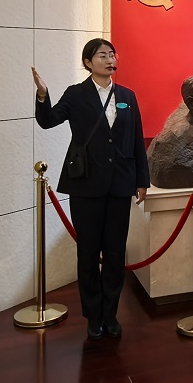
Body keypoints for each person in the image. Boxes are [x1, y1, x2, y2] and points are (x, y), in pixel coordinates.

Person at [33, 39, 149, 339]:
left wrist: (141, 180)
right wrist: (43, 95)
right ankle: (93, 316)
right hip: (86, 185)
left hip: (120, 183)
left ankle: (110, 314)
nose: (110, 60)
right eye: (102, 55)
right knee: (87, 253)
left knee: (115, 252)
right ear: (88, 62)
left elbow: (136, 138)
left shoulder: (127, 96)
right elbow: (48, 121)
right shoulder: (76, 94)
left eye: (112, 54)